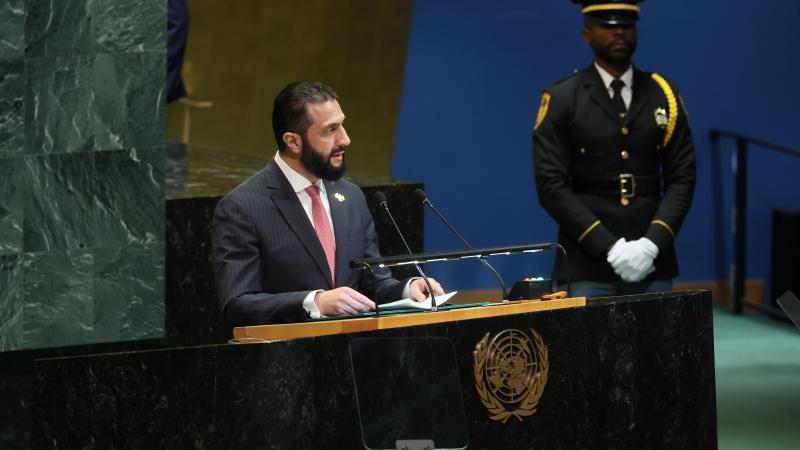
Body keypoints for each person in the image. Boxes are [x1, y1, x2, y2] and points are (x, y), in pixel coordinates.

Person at [213, 81, 444, 326]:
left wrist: (407, 290)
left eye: (342, 124)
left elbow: (373, 283)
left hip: (354, 355)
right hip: (288, 357)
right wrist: (315, 302)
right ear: (293, 142)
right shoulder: (242, 206)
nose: (345, 139)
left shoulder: (351, 197)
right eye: (330, 130)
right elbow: (237, 304)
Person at [532, 0, 696, 298]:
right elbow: (550, 185)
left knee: (658, 344)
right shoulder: (562, 97)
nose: (619, 32)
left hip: (652, 259)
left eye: (626, 25)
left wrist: (652, 243)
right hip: (587, 260)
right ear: (586, 33)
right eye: (607, 25)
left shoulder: (664, 94)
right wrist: (609, 245)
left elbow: (682, 177)